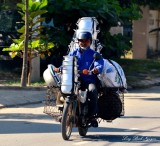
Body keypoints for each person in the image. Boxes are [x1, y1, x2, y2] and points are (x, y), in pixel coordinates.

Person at [54, 31, 104, 127]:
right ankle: (64, 112)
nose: (83, 42)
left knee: (93, 91)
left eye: (86, 41)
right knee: (63, 90)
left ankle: (92, 115)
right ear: (78, 41)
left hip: (88, 80)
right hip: (74, 80)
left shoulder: (94, 54)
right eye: (81, 40)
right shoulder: (73, 53)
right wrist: (59, 69)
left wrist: (96, 69)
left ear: (90, 41)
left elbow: (99, 63)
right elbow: (66, 63)